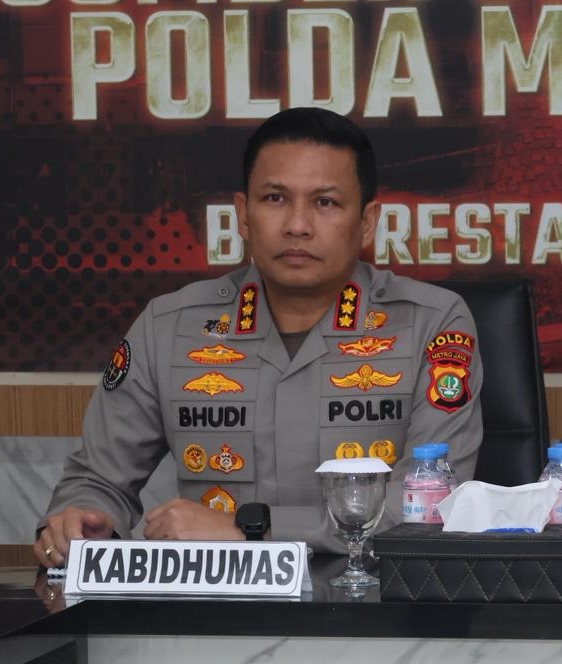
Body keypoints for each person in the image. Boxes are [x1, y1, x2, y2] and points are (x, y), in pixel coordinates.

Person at [34, 108, 483, 564]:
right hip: (214, 601)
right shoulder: (170, 327)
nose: (297, 225)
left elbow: (428, 506)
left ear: (367, 221)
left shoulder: (430, 324)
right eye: (274, 198)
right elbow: (98, 480)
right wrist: (83, 519)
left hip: (374, 599)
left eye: (325, 202)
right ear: (243, 215)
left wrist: (250, 531)